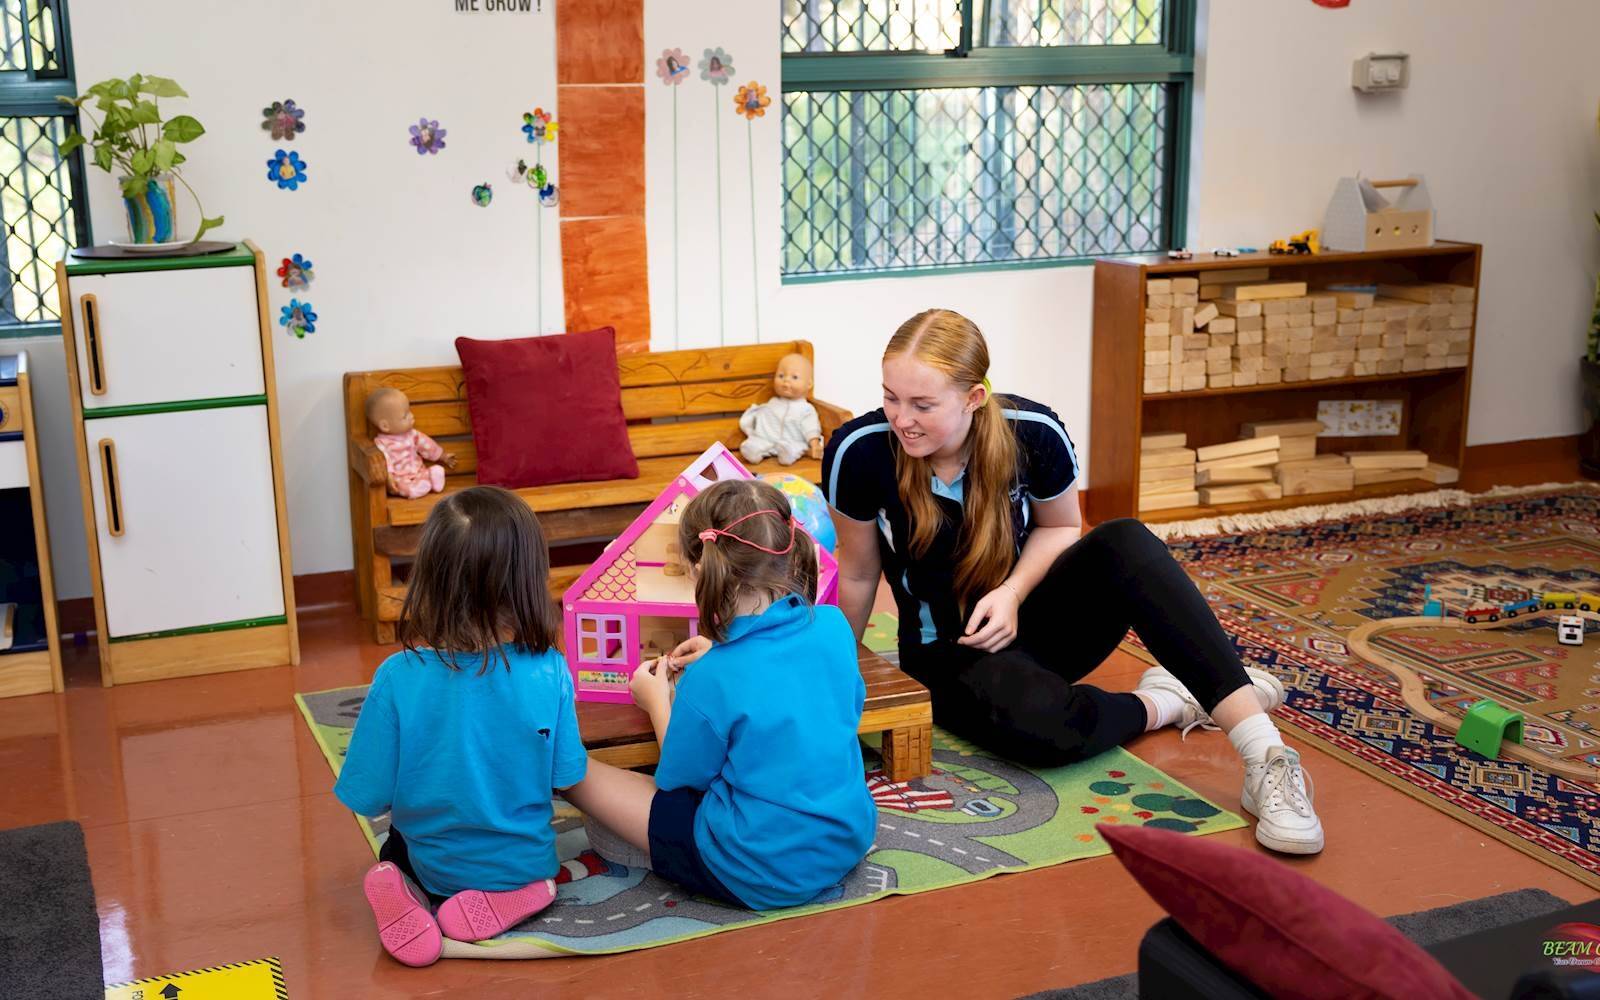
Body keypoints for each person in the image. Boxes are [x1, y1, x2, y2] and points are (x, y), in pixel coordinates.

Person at [820, 309, 1324, 855]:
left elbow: (1061, 527)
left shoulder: (1035, 432)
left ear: (973, 397)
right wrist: (829, 672)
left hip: (1039, 622)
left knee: (1127, 541)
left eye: (923, 404)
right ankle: (1170, 703)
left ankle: (1267, 759)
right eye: (891, 397)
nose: (902, 418)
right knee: (1040, 729)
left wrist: (1012, 594)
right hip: (946, 653)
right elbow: (858, 570)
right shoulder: (860, 450)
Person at [564, 478, 878, 908]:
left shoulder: (711, 677)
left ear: (698, 569)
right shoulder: (833, 625)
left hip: (759, 868)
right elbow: (831, 707)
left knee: (586, 789)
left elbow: (678, 780)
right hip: (846, 841)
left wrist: (655, 700)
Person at [335, 486, 583, 967]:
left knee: (395, 852)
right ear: (528, 580)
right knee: (541, 870)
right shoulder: (551, 670)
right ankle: (529, 894)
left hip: (433, 864)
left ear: (428, 579)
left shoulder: (397, 677)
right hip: (523, 861)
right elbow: (567, 776)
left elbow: (365, 796)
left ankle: (409, 890)